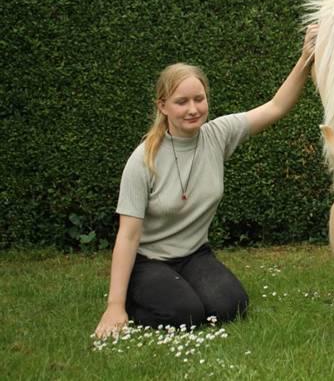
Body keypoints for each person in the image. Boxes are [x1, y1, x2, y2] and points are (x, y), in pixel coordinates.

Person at [94, 25, 317, 339]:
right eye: (181, 101)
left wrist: (306, 57)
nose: (193, 109)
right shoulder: (142, 160)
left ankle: (177, 290)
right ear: (163, 106)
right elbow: (128, 237)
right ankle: (133, 295)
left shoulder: (218, 135)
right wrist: (114, 305)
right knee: (185, 314)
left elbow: (276, 106)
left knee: (231, 305)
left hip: (194, 255)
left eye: (199, 99)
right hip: (148, 260)